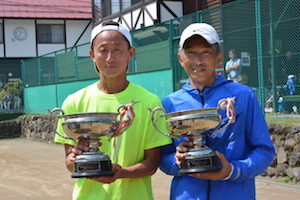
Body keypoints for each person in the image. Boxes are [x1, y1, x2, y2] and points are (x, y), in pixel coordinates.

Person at [54, 20, 172, 200]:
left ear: (130, 53)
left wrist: (122, 172)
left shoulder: (150, 102)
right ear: (92, 54)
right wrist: (74, 161)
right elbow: (70, 162)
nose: (110, 58)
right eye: (103, 50)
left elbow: (152, 163)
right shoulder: (74, 103)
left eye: (117, 50)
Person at [159, 23, 275, 200]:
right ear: (180, 58)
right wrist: (177, 160)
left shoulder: (242, 96)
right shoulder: (170, 103)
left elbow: (264, 150)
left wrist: (233, 171)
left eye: (206, 53)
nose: (198, 60)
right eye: (190, 53)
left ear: (218, 57)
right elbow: (162, 158)